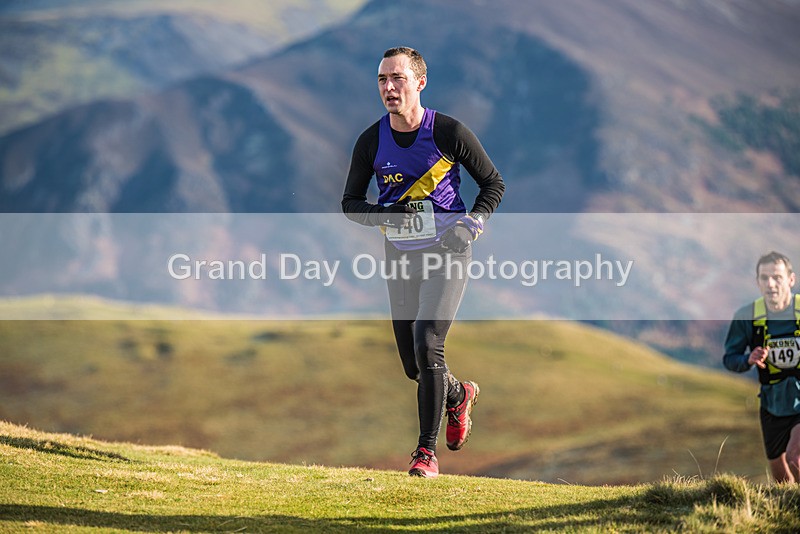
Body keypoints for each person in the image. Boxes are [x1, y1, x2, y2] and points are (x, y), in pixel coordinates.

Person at [341, 46, 504, 477]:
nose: (389, 87)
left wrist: (471, 223)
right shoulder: (371, 140)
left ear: (419, 83)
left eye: (397, 78)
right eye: (382, 80)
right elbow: (351, 204)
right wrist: (387, 215)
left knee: (429, 343)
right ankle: (457, 396)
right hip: (400, 256)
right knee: (413, 364)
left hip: (448, 252)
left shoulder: (449, 132)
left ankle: (424, 454)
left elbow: (492, 184)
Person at [724, 251, 800, 483]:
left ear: (791, 279)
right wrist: (748, 359)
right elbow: (730, 358)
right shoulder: (747, 316)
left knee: (796, 458)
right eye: (764, 278)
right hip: (772, 402)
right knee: (781, 478)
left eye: (777, 277)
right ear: (757, 282)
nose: (771, 284)